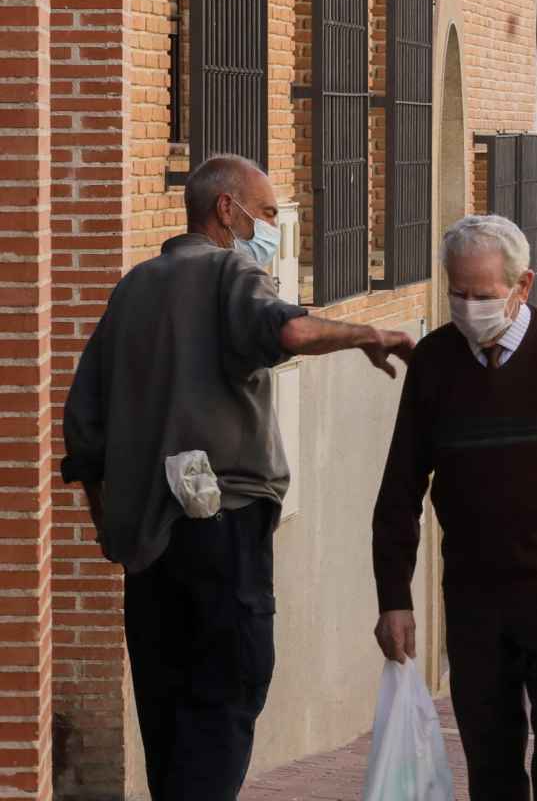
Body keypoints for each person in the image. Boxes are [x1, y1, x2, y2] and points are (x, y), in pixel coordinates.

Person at [60, 155, 415, 801]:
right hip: (222, 539)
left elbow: (82, 432)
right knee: (227, 702)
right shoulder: (229, 271)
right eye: (268, 212)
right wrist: (367, 333)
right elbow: (287, 328)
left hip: (148, 550)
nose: (271, 226)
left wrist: (110, 529)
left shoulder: (133, 289)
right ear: (227, 209)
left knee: (168, 724)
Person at [371, 215, 537, 801]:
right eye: (458, 294)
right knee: (488, 749)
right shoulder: (436, 364)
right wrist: (394, 598)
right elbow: (399, 491)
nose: (469, 308)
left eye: (484, 295)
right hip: (474, 595)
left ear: (524, 286)